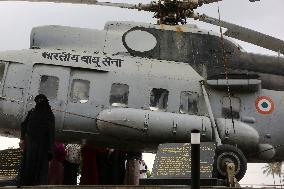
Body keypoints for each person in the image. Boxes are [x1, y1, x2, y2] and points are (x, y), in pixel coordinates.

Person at [18, 94, 55, 186]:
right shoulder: (48, 114)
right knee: (38, 169)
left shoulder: (32, 112)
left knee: (30, 166)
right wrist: (50, 149)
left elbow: (24, 125)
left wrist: (22, 139)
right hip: (39, 147)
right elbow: (51, 133)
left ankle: (28, 184)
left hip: (34, 146)